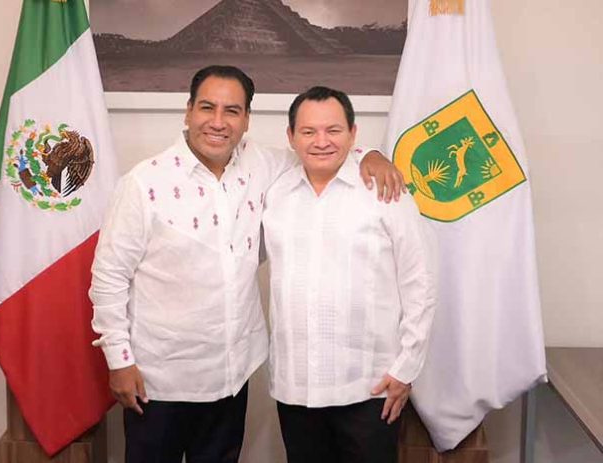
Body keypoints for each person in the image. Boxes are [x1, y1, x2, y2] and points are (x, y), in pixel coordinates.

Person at [89, 66, 405, 463]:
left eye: (232, 111)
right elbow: (109, 277)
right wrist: (119, 360)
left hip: (231, 376)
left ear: (247, 119)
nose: (218, 122)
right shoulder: (142, 184)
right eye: (207, 107)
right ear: (188, 111)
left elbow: (320, 149)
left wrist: (371, 155)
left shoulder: (263, 165)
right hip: (159, 379)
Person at [262, 86, 436, 463]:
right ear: (290, 136)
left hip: (369, 387)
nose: (321, 141)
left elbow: (420, 282)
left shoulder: (385, 191)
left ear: (354, 134)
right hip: (296, 388)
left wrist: (406, 368)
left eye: (334, 130)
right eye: (308, 131)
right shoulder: (274, 193)